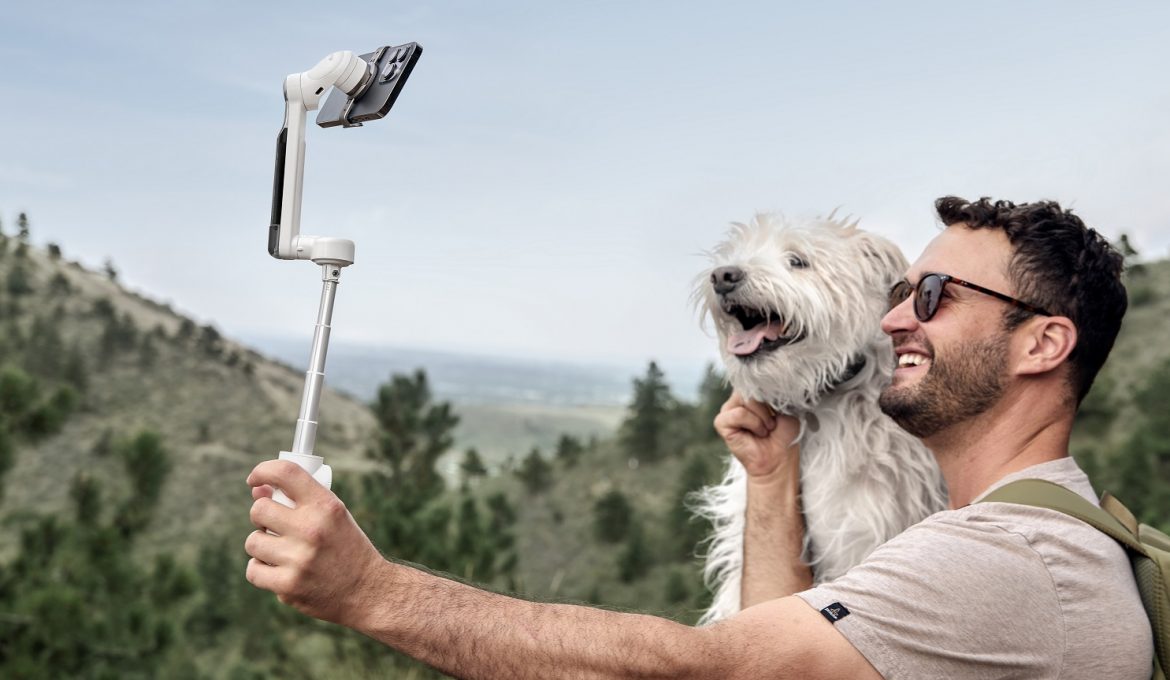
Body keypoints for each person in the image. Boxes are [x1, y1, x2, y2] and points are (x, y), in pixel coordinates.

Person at [245, 196, 1153, 678]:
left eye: (932, 298)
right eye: (899, 293)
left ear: (1044, 343)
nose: (892, 323)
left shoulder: (1004, 560)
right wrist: (769, 480)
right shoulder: (1021, 534)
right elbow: (773, 643)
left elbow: (712, 673)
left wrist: (373, 592)